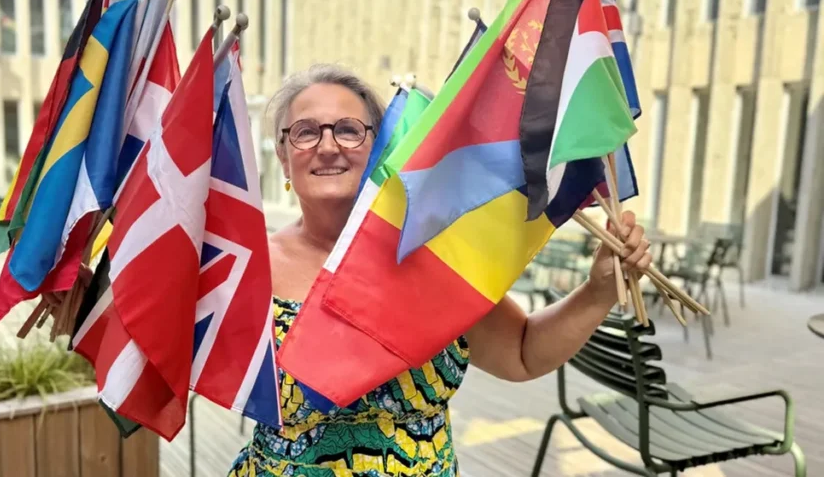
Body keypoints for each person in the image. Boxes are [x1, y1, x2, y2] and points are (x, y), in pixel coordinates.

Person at [228, 65, 653, 477]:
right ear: (284, 158)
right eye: (305, 132)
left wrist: (596, 292)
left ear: (379, 148)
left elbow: (522, 353)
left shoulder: (432, 253)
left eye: (348, 129)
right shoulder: (245, 270)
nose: (327, 145)